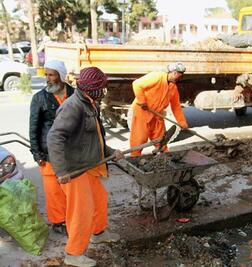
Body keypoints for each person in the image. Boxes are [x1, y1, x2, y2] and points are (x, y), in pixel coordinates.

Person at [47, 67, 124, 267]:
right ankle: (73, 253)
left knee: (100, 200)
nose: (103, 90)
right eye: (101, 87)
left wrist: (110, 152)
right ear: (93, 89)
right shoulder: (73, 107)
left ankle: (98, 233)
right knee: (81, 211)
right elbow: (54, 137)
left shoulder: (90, 103)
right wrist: (62, 171)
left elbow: (94, 137)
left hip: (88, 164)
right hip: (74, 169)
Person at [29, 60, 74, 234]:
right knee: (53, 190)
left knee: (72, 188)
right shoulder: (39, 97)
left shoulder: (74, 94)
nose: (48, 79)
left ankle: (73, 218)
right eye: (46, 75)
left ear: (61, 76)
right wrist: (36, 153)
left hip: (72, 150)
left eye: (52, 75)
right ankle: (58, 222)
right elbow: (34, 127)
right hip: (48, 151)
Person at [129, 62, 188, 157]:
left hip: (157, 115)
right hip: (143, 112)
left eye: (180, 75)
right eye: (176, 74)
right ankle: (135, 158)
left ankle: (164, 157)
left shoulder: (173, 87)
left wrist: (182, 122)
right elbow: (136, 84)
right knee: (139, 138)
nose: (177, 77)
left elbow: (176, 107)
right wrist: (142, 101)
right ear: (171, 72)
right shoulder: (157, 76)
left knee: (161, 138)